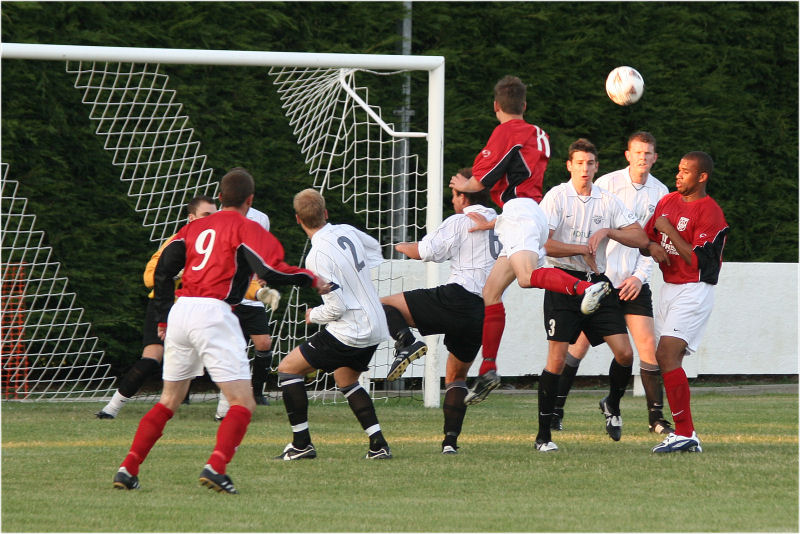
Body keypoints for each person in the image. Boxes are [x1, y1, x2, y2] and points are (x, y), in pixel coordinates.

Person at [113, 168, 326, 493]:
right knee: (243, 402)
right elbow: (269, 268)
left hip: (181, 313)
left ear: (220, 197)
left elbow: (164, 270)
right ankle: (216, 467)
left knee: (169, 399)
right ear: (250, 200)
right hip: (214, 312)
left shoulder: (193, 227)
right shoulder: (246, 226)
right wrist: (310, 278)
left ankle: (127, 469)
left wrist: (162, 319)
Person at [449, 75, 610, 406]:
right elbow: (518, 169)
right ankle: (489, 368)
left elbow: (484, 177)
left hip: (520, 212)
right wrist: (496, 221)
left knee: (525, 278)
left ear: (497, 107)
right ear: (524, 105)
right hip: (522, 213)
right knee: (491, 292)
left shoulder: (507, 131)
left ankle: (585, 288)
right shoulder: (539, 133)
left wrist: (465, 186)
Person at [550, 132, 673, 435]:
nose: (643, 158)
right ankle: (556, 410)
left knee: (646, 347)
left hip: (633, 282)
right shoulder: (606, 184)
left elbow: (652, 242)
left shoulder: (661, 192)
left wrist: (638, 276)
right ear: (628, 155)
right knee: (576, 348)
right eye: (637, 152)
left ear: (655, 158)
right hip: (602, 282)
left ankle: (652, 417)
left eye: (648, 153)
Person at [534, 138, 650, 451]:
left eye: (590, 163)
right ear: (569, 165)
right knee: (556, 360)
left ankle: (612, 403)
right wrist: (581, 248)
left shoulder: (607, 199)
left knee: (625, 354)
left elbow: (640, 237)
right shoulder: (557, 197)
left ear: (596, 167)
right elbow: (543, 244)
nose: (585, 169)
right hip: (562, 282)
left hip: (598, 284)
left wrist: (610, 232)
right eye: (579, 163)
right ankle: (544, 435)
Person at [382, 168, 498, 454]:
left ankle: (406, 343)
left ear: (464, 195)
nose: (452, 201)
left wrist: (399, 246)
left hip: (456, 297)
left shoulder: (461, 220)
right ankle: (450, 443)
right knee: (456, 378)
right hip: (483, 311)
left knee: (384, 304)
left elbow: (425, 251)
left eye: (454, 194)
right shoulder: (501, 221)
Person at [274, 188, 392, 461]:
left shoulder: (316, 257)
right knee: (346, 379)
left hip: (351, 330)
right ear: (325, 213)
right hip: (376, 323)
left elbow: (336, 308)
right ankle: (378, 444)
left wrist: (312, 315)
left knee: (288, 370)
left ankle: (301, 445)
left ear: (297, 219)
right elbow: (374, 248)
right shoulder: (347, 231)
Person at [96, 195, 217, 419]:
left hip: (197, 309)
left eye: (214, 216)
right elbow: (150, 276)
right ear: (191, 218)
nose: (211, 221)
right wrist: (176, 274)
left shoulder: (219, 245)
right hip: (165, 305)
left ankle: (225, 413)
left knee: (219, 356)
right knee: (151, 358)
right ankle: (110, 409)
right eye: (205, 215)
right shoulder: (176, 242)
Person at [642, 151, 728, 453]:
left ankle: (685, 432)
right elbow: (647, 237)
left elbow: (702, 263)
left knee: (666, 355)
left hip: (694, 289)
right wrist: (652, 245)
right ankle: (685, 433)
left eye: (685, 171)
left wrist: (669, 231)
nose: (678, 175)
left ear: (702, 177)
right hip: (668, 287)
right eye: (678, 170)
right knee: (666, 358)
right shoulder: (667, 202)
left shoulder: (710, 212)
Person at [215, 205, 280, 419]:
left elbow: (262, 254)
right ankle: (187, 393)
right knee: (230, 348)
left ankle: (257, 391)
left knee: (263, 343)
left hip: (252, 294)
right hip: (226, 295)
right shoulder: (217, 218)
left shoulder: (261, 217)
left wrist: (263, 275)